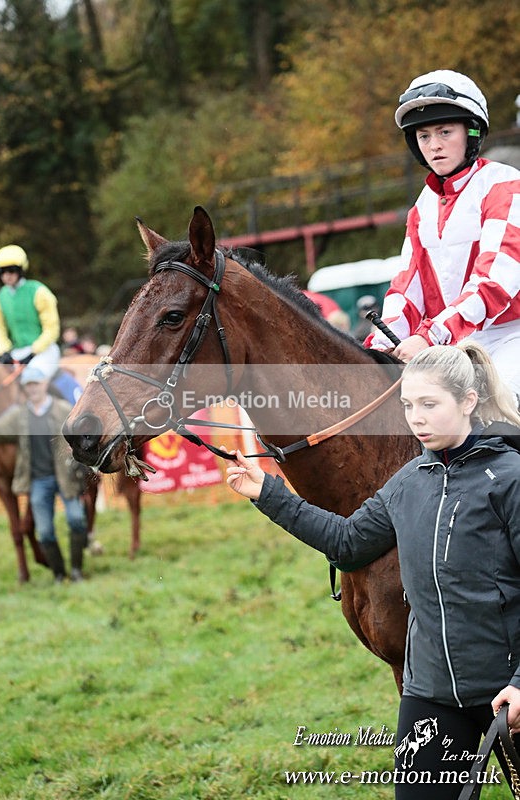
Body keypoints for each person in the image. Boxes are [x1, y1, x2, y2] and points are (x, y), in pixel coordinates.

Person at [225, 341, 520, 799]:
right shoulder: (406, 483)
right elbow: (347, 543)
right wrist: (267, 492)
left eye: (429, 404)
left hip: (508, 692)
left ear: (468, 401)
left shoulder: (511, 479)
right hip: (431, 695)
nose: (415, 418)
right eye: (407, 405)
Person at [366, 70, 520, 398]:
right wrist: (378, 347)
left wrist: (429, 336)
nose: (434, 145)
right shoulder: (421, 207)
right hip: (453, 344)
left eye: (445, 132)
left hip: (510, 338)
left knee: (498, 400)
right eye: (423, 136)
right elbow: (407, 289)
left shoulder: (504, 184)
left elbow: (494, 284)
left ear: (472, 132)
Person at [0, 365, 88, 582]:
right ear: (24, 389)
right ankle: (60, 574)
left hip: (64, 477)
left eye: (36, 384)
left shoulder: (62, 409)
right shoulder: (19, 415)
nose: (32, 389)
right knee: (44, 532)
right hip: (39, 481)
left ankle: (77, 570)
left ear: (44, 385)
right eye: (28, 386)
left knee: (77, 520)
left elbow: (76, 435)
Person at [0, 244, 61, 381]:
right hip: (16, 353)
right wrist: (4, 351)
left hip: (44, 352)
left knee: (30, 378)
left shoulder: (40, 292)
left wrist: (33, 352)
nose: (6, 275)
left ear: (21, 270)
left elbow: (52, 329)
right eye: (1, 271)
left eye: (11, 270)